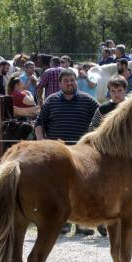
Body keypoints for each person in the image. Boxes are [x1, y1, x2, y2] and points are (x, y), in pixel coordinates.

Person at [34, 68, 98, 236]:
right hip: (57, 155)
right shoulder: (50, 101)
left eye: (72, 80)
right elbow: (39, 124)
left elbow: (102, 120)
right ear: (60, 83)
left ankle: (82, 224)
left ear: (76, 81)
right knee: (58, 190)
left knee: (83, 188)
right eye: (66, 81)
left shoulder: (89, 101)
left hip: (82, 154)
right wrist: (42, 144)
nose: (70, 83)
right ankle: (62, 222)